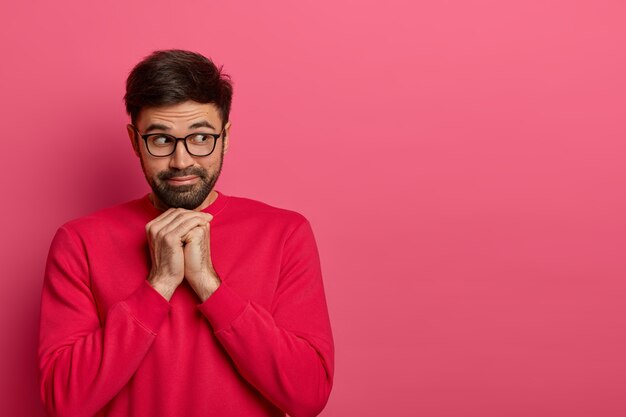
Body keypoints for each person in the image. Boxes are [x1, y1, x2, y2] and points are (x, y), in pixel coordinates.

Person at [38, 49, 334, 417]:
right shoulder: (79, 242)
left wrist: (209, 284)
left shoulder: (285, 233)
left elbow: (308, 396)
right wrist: (159, 283)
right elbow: (64, 402)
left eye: (200, 137)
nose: (182, 161)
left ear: (224, 137)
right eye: (161, 140)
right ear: (134, 141)